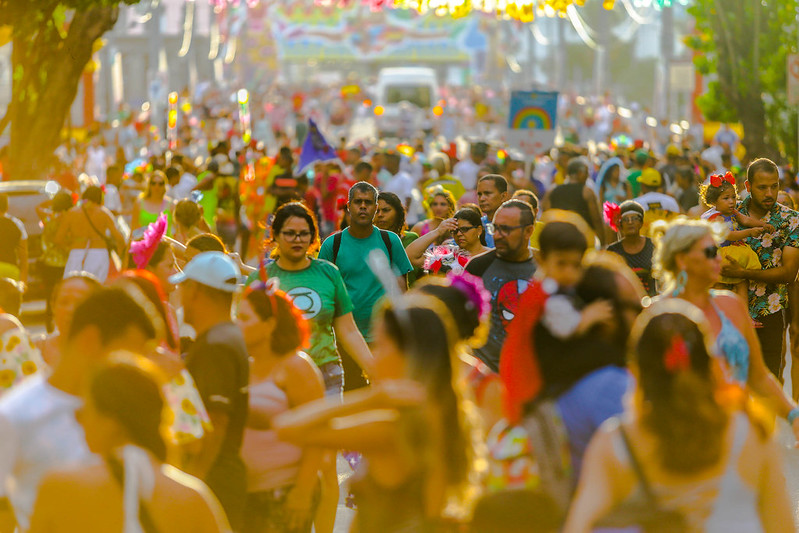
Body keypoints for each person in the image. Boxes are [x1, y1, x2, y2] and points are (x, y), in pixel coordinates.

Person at [564, 299, 794, 533]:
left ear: (635, 371)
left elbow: (578, 526)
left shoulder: (615, 444)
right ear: (711, 366)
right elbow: (782, 527)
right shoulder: (753, 434)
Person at [274, 295, 479, 532]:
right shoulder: (443, 418)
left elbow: (287, 427)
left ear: (408, 356)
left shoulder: (391, 432)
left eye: (380, 346)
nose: (373, 355)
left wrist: (370, 398)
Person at [0, 288, 156, 531]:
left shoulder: (129, 413)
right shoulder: (14, 416)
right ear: (90, 340)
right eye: (126, 356)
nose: (134, 370)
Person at [28, 354, 231, 533]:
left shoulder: (60, 488)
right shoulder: (194, 498)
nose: (78, 421)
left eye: (83, 411)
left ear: (111, 420)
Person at [656, 218, 799, 443]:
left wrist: (794, 415)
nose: (719, 258)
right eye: (712, 250)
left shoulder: (731, 305)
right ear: (682, 259)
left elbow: (759, 377)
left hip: (737, 437)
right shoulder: (656, 313)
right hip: (681, 442)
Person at [169, 251, 249, 529]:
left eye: (183, 285)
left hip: (214, 481)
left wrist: (192, 483)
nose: (179, 292)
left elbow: (216, 421)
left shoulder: (217, 346)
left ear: (196, 291)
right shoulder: (225, 335)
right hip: (219, 479)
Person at [238, 283, 325, 533]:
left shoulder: (296, 366)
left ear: (269, 324)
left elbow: (317, 434)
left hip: (286, 491)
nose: (237, 324)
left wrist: (302, 492)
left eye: (245, 318)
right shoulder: (247, 364)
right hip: (250, 494)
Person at [319, 182, 413, 389]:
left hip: (385, 339)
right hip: (346, 342)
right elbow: (325, 295)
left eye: (368, 203)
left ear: (376, 208)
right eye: (358, 202)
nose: (363, 207)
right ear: (348, 207)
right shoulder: (332, 245)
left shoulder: (391, 241)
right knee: (353, 398)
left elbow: (401, 291)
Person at [721, 158, 799, 378]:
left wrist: (743, 273)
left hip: (770, 315)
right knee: (732, 382)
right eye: (762, 187)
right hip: (729, 313)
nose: (770, 193)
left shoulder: (791, 220)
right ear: (747, 187)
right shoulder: (729, 216)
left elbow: (789, 273)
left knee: (768, 381)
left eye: (774, 186)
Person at [465, 199, 537, 372]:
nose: (497, 235)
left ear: (528, 231)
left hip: (529, 374)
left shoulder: (545, 266)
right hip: (486, 374)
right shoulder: (477, 267)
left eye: (505, 229)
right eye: (494, 228)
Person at [700, 172, 771, 302]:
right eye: (726, 198)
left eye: (733, 197)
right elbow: (729, 235)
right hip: (721, 253)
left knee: (741, 282)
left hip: (733, 251)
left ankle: (744, 316)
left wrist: (763, 224)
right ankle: (719, 312)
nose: (732, 201)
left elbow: (746, 221)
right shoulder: (716, 218)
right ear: (714, 201)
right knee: (720, 284)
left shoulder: (732, 212)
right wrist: (749, 232)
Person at [54, 185, 126, 282]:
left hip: (76, 253)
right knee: (96, 288)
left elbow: (58, 239)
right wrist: (122, 257)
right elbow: (119, 238)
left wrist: (69, 247)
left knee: (75, 287)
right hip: (99, 253)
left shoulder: (72, 213)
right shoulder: (104, 213)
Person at [35, 273, 101, 368]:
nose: (70, 309)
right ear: (53, 306)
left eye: (80, 303)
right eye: (64, 302)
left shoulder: (108, 356)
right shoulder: (33, 350)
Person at [36, 191, 74, 330]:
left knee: (49, 293)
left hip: (48, 262)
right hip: (66, 261)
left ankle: (49, 319)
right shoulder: (71, 218)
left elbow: (38, 207)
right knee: (64, 293)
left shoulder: (49, 218)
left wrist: (53, 202)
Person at [543, 159, 605, 244]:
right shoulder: (587, 192)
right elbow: (596, 219)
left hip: (557, 239)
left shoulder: (552, 191)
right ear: (580, 173)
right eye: (587, 172)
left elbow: (546, 215)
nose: (588, 176)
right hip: (582, 239)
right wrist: (602, 242)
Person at [606, 201, 657, 296]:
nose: (630, 222)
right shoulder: (613, 251)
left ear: (641, 223)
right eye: (625, 219)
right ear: (620, 224)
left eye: (634, 218)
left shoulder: (654, 245)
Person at [132, 170, 175, 235]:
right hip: (145, 243)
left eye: (160, 184)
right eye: (153, 183)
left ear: (164, 186)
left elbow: (177, 230)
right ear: (149, 185)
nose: (156, 187)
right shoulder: (139, 203)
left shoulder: (171, 205)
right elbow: (133, 229)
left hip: (165, 244)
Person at [0, 193, 28, 286]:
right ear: (7, 207)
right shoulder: (16, 224)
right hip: (11, 269)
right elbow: (23, 255)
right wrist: (23, 281)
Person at [476, 175, 511, 248]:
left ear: (503, 196)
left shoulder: (515, 226)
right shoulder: (476, 225)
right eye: (479, 194)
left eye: (487, 193)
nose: (482, 198)